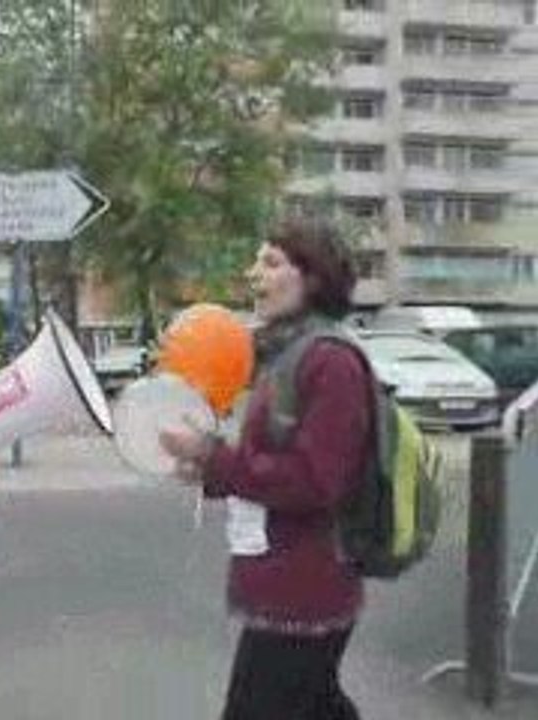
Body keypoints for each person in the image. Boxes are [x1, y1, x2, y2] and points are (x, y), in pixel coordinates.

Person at [161, 218, 371, 720]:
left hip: (306, 592)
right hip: (283, 584)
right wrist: (208, 470)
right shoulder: (287, 356)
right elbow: (269, 463)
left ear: (314, 279)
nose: (254, 273)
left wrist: (216, 457)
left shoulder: (330, 363)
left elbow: (316, 481)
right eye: (257, 261)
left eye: (272, 262)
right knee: (319, 707)